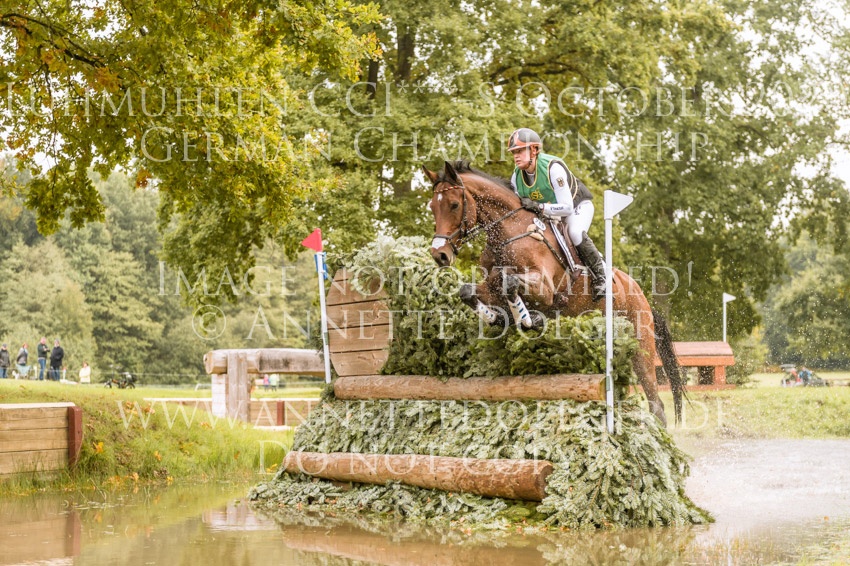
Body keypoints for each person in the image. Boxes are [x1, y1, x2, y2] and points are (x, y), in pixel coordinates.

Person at [507, 128, 606, 300]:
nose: (516, 156)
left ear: (534, 150)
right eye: (514, 152)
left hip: (576, 207)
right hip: (550, 215)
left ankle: (601, 277)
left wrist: (539, 207)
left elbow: (567, 208)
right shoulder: (516, 178)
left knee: (575, 232)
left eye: (520, 151)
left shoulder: (553, 169)